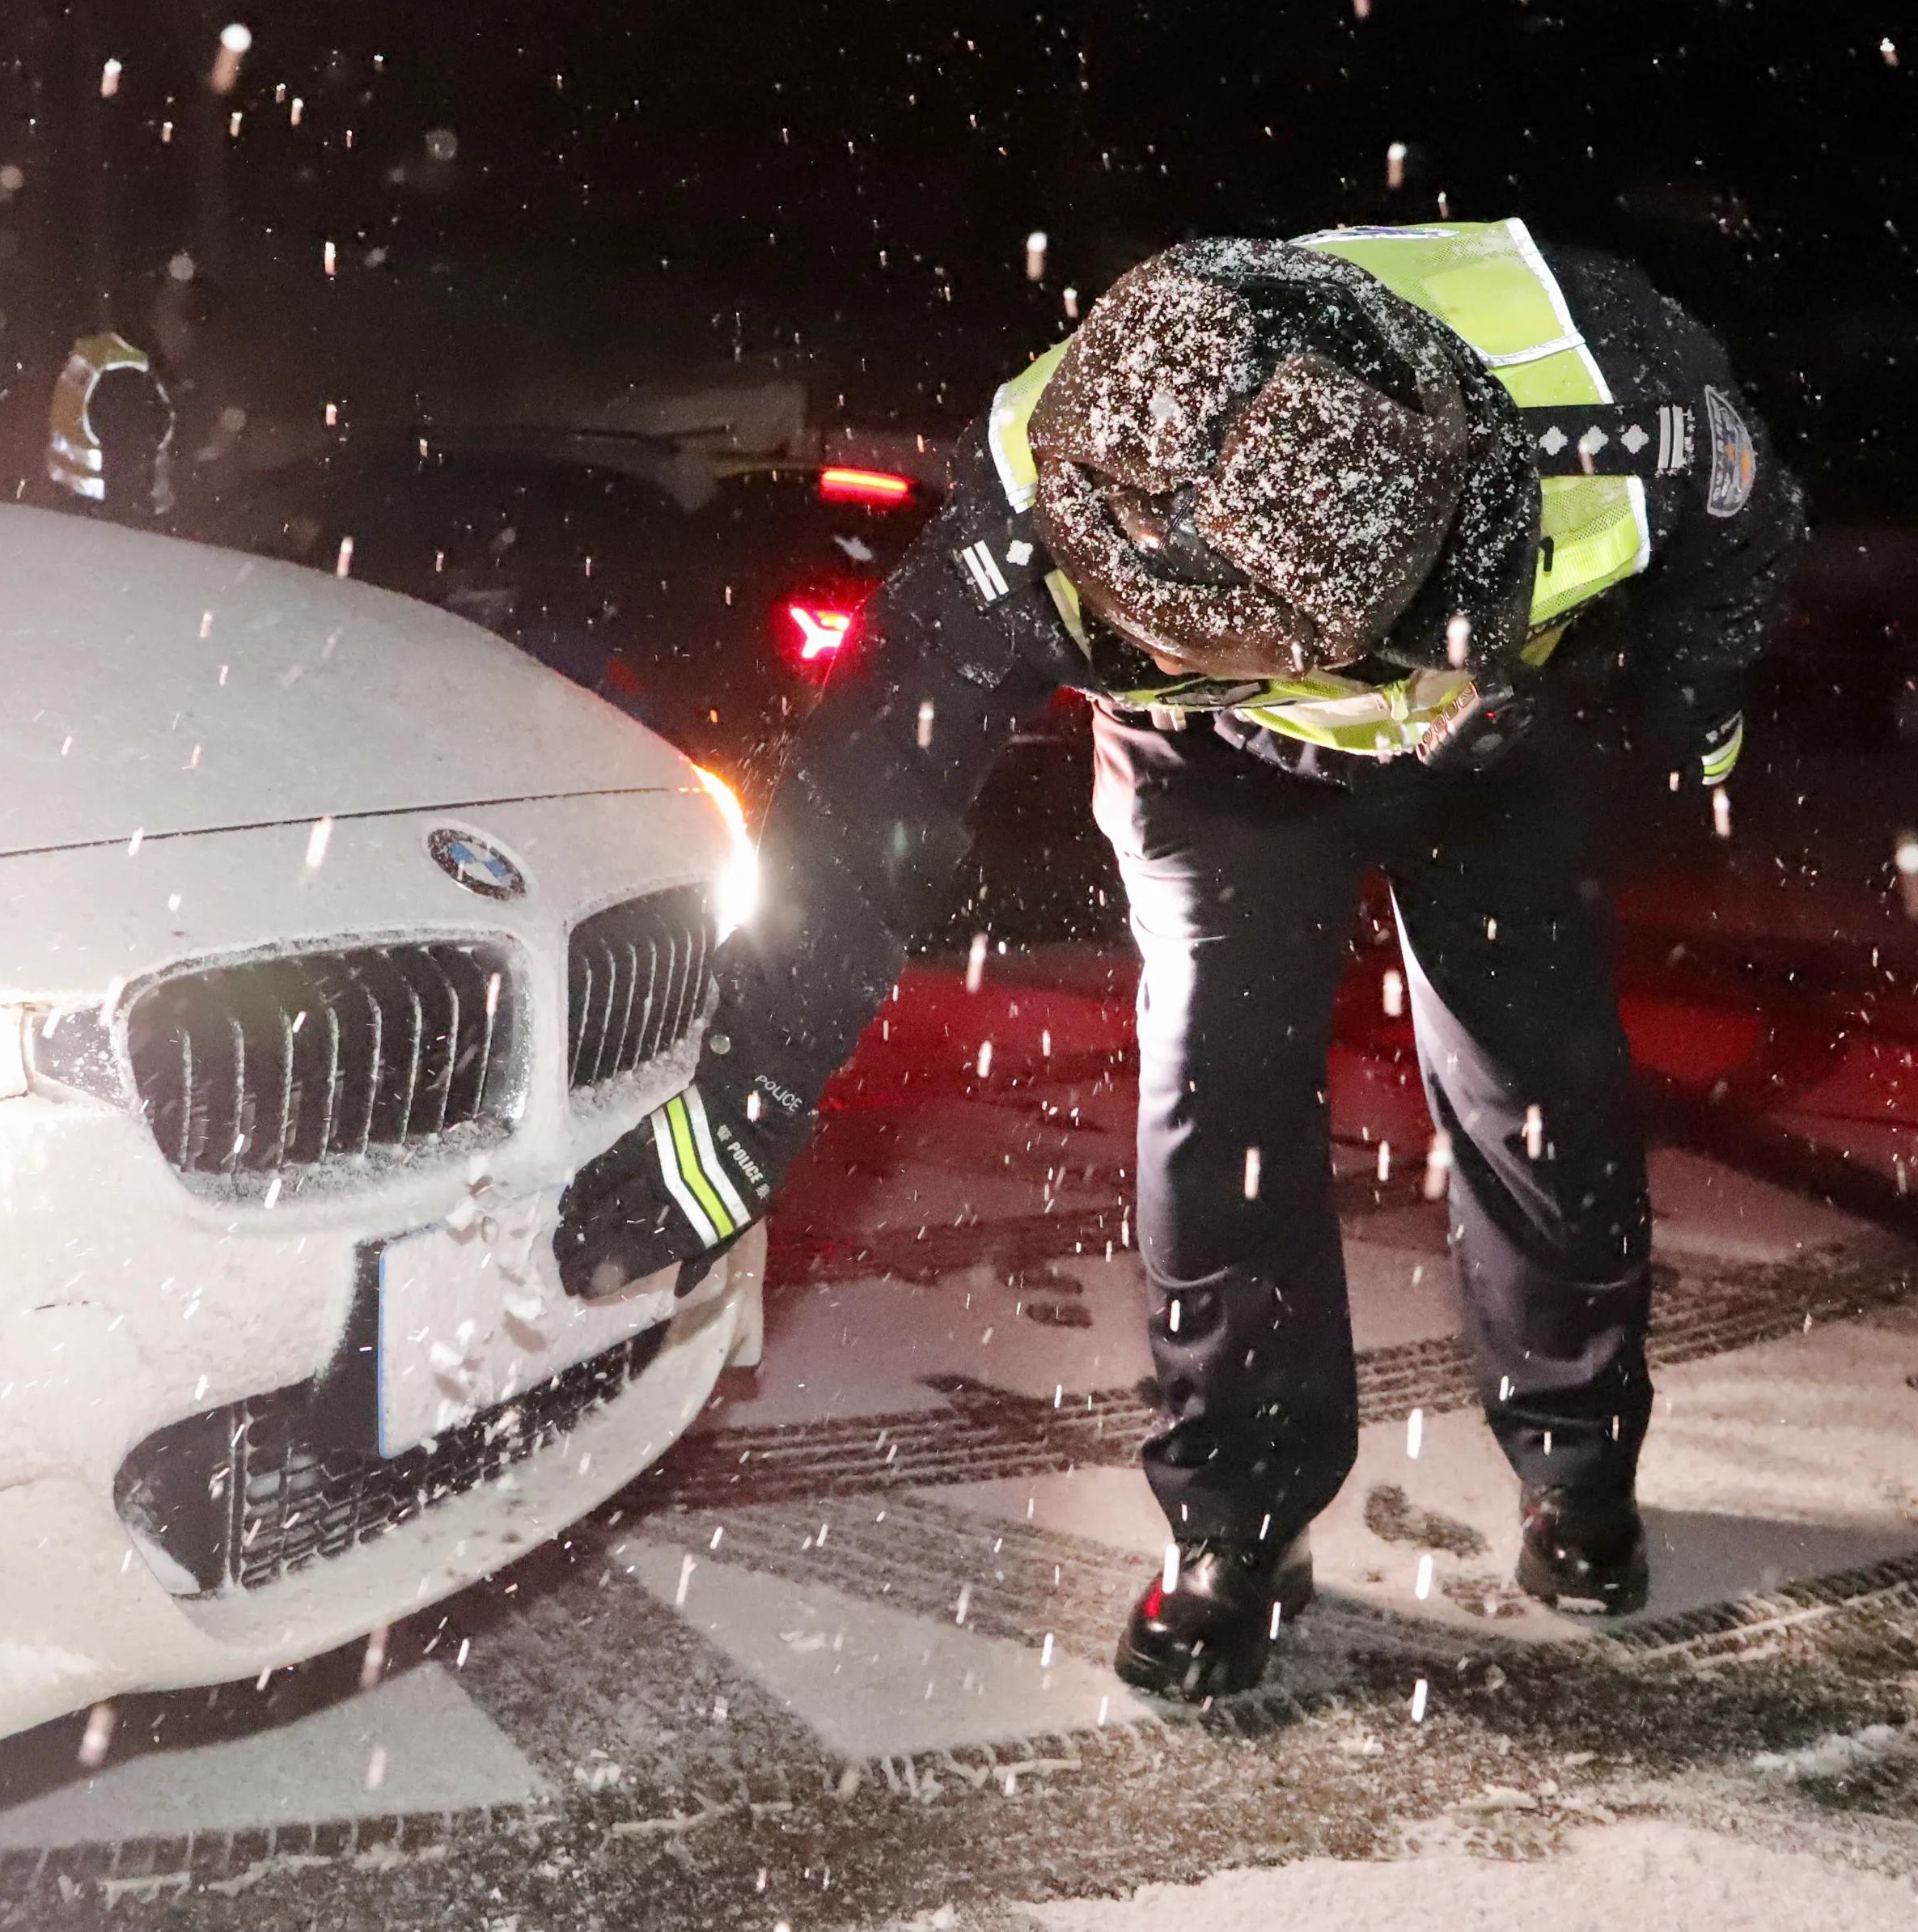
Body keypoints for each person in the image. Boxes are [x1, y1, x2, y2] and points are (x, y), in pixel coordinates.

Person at [553, 222, 1807, 1697]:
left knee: (1540, 1083)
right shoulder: (1031, 516)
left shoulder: (1620, 389)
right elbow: (861, 802)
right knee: (1218, 1092)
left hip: (1500, 738)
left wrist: (1685, 705)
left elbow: (1752, 537)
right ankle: (1242, 1517)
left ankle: (1581, 1458)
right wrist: (744, 1104)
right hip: (1211, 769)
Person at [45, 328, 176, 519]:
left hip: (69, 501)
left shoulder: (94, 355)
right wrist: (130, 515)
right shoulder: (129, 380)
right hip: (110, 517)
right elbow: (126, 461)